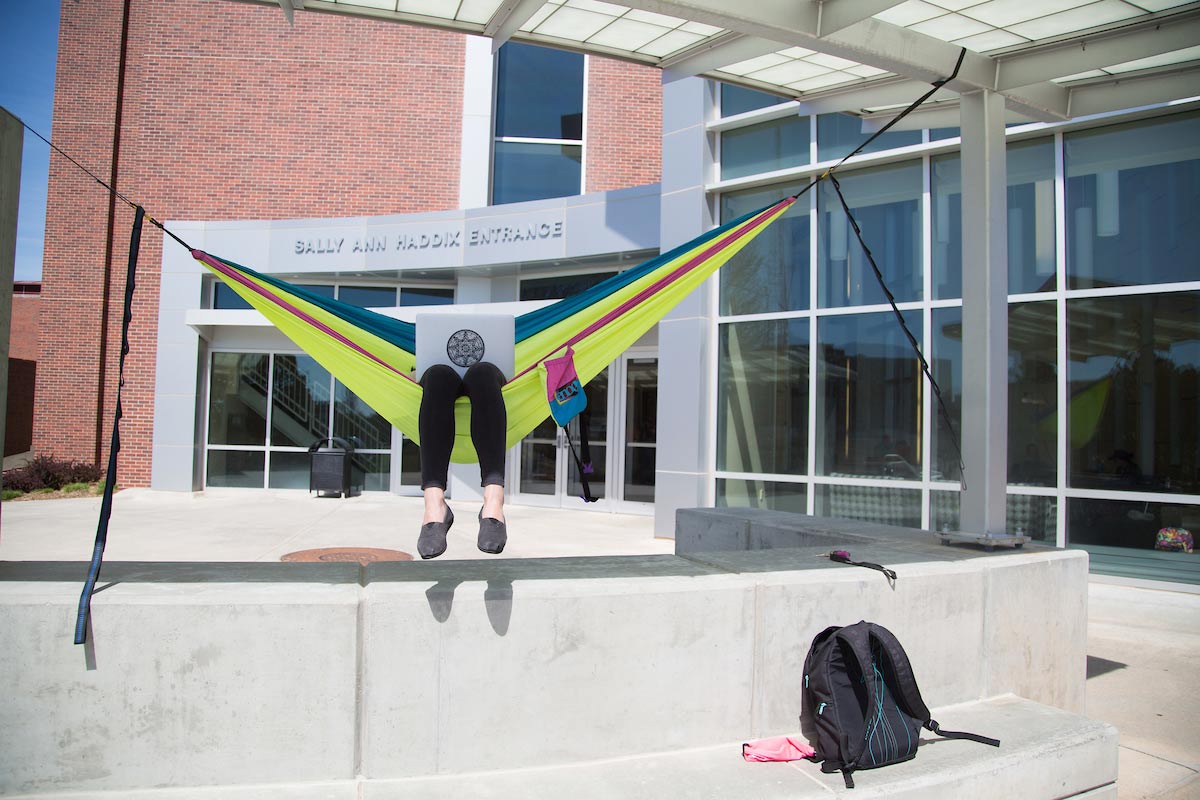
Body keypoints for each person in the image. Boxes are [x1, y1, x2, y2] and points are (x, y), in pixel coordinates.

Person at [416, 362, 508, 559]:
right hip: (434, 375)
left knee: (482, 372)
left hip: (491, 376)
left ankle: (494, 500)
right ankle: (434, 504)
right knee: (437, 374)